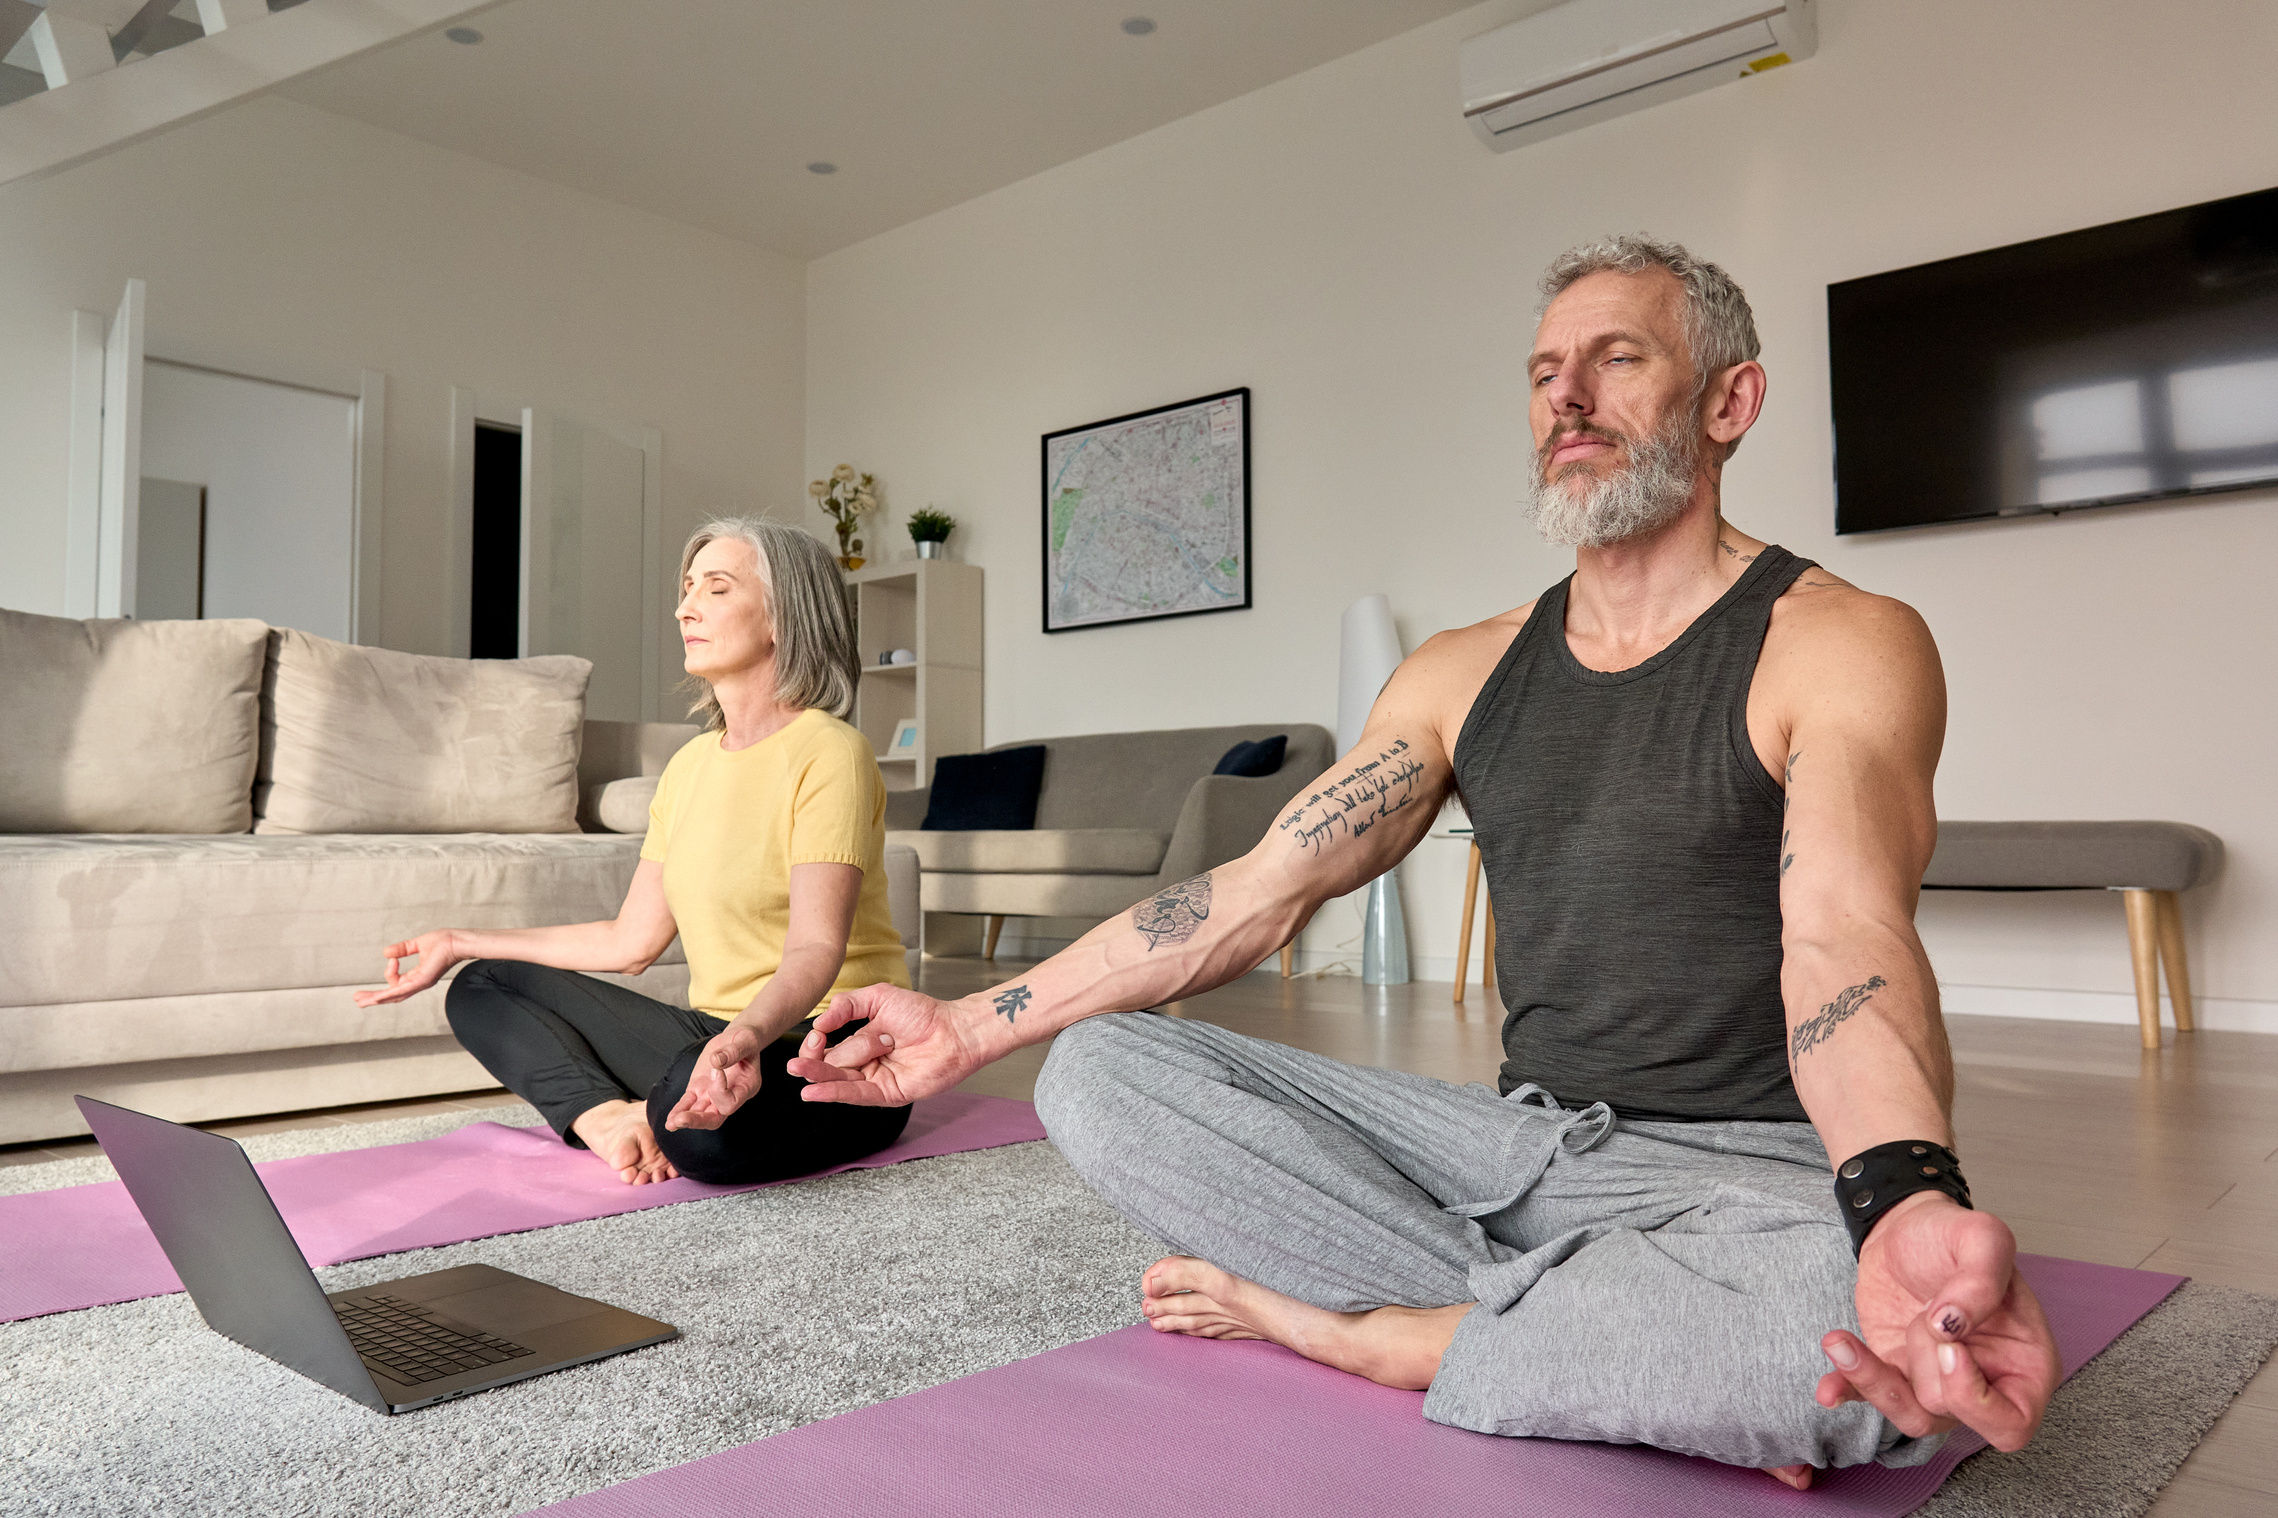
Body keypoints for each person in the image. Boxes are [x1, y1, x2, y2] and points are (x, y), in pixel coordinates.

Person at [783, 237, 2063, 1486]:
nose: (1566, 394)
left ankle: (1374, 1335)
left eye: (1617, 359)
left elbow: (1845, 933)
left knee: (1862, 1348)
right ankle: (1608, 1352)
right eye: (1544, 369)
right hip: (1511, 1150)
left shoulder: (1839, 641)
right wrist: (963, 1026)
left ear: (1729, 401)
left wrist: (1902, 1200)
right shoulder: (1461, 671)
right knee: (1103, 1072)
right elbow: (1253, 892)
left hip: (1741, 1176)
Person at [355, 517, 912, 1187]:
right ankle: (608, 1120)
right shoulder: (689, 766)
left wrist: (737, 1043)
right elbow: (631, 940)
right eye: (685, 589)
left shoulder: (829, 752)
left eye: (716, 588)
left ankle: (667, 1106)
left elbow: (814, 953)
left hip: (834, 1049)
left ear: (781, 619)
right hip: (722, 1035)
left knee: (703, 1133)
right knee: (483, 982)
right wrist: (459, 939)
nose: (686, 607)